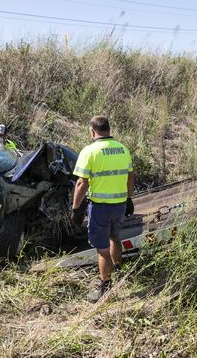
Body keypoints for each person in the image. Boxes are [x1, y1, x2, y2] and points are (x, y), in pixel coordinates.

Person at [71, 116, 135, 303]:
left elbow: (82, 183)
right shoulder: (122, 149)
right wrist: (129, 198)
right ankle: (119, 269)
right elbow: (130, 177)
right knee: (115, 237)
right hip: (120, 204)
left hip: (100, 207)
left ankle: (105, 289)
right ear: (108, 129)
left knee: (102, 250)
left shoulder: (90, 151)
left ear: (92, 131)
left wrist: (76, 209)